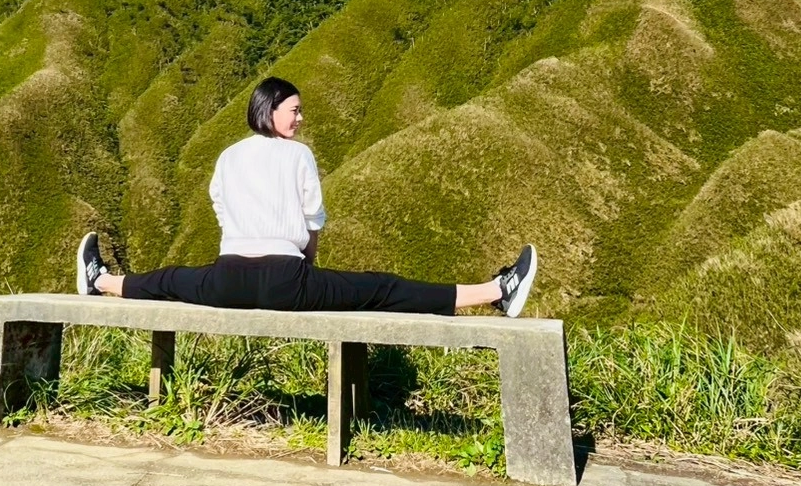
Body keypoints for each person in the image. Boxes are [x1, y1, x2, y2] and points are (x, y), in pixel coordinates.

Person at [75, 76, 536, 317]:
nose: (299, 119)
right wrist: (308, 260)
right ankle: (497, 291)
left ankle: (98, 281)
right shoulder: (298, 155)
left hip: (227, 278)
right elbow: (313, 219)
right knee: (382, 288)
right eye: (293, 110)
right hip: (285, 280)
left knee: (171, 280)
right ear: (269, 110)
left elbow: (222, 211)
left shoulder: (228, 156)